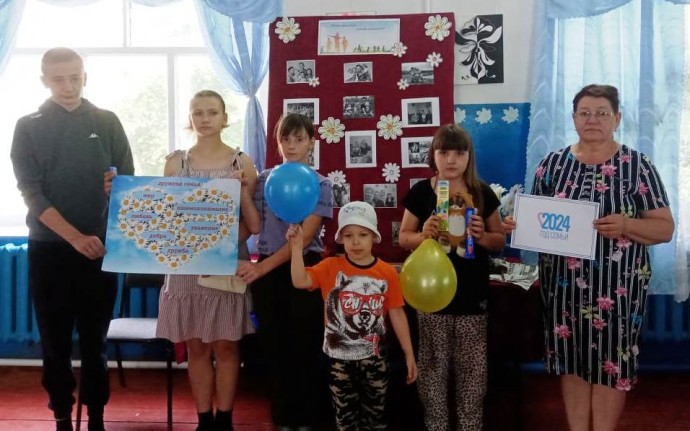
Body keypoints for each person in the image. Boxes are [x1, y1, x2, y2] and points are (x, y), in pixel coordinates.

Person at [502, 84, 674, 431]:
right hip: (563, 289)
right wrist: (517, 225)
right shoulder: (552, 165)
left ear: (617, 118)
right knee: (572, 364)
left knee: (611, 367)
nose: (592, 119)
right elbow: (539, 221)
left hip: (618, 291)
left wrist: (627, 224)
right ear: (573, 117)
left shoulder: (637, 166)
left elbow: (665, 229)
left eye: (601, 113)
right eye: (585, 113)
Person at [10, 47, 134, 431]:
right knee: (55, 342)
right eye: (58, 79)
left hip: (100, 249)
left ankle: (96, 417)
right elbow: (32, 194)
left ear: (85, 77)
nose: (68, 86)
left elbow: (130, 185)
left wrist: (117, 189)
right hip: (49, 250)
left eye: (75, 77)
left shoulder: (107, 121)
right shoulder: (27, 126)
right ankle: (62, 416)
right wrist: (75, 238)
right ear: (44, 80)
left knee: (96, 343)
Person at [154, 90, 261, 431]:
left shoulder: (241, 163)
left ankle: (224, 420)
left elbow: (251, 221)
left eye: (212, 112)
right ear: (190, 117)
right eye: (197, 112)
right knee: (196, 347)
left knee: (226, 346)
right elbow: (165, 216)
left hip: (225, 264)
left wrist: (218, 247)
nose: (204, 118)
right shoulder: (176, 163)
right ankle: (204, 420)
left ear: (224, 117)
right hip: (185, 268)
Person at [398, 123, 505, 431]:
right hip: (431, 298)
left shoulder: (481, 192)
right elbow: (403, 238)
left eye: (459, 153)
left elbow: (499, 241)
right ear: (433, 155)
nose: (451, 160)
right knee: (433, 371)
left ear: (469, 156)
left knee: (472, 374)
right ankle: (436, 426)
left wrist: (481, 236)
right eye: (444, 152)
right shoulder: (422, 192)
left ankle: (469, 426)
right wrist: (423, 234)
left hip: (472, 298)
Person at [236, 113, 333, 430]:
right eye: (285, 139)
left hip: (305, 268)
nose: (291, 145)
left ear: (311, 143)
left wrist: (261, 267)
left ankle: (307, 418)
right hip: (267, 273)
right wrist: (241, 191)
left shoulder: (321, 184)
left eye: (299, 139)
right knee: (274, 346)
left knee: (304, 344)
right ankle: (282, 417)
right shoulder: (264, 179)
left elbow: (305, 238)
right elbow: (252, 223)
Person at [286, 201, 418, 431]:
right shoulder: (330, 266)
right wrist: (296, 249)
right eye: (348, 235)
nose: (355, 242)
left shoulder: (387, 272)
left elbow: (397, 313)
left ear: (374, 237)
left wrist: (409, 354)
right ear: (341, 239)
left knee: (376, 418)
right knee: (345, 419)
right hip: (339, 360)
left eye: (362, 235)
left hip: (375, 358)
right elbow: (300, 281)